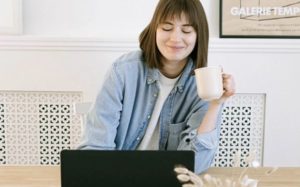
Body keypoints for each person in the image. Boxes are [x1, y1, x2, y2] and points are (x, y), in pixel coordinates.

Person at [78, 0, 235, 174]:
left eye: (186, 30)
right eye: (167, 28)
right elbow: (96, 148)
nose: (175, 38)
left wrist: (215, 104)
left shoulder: (204, 84)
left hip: (167, 179)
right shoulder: (123, 71)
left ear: (199, 36)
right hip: (118, 175)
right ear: (154, 30)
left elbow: (193, 166)